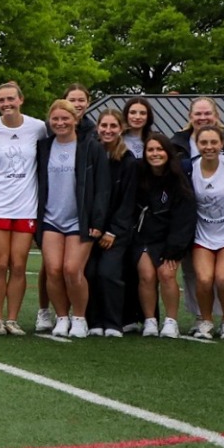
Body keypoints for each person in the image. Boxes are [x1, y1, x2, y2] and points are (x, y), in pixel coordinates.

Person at [36, 99, 111, 340]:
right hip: (50, 219)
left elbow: (102, 188)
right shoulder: (43, 147)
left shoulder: (91, 147)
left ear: (75, 119)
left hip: (81, 219)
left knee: (72, 270)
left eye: (65, 118)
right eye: (55, 119)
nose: (60, 123)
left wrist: (98, 222)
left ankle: (79, 317)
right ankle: (61, 317)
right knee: (54, 270)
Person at [0, 82, 46, 335]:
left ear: (21, 100)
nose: (6, 104)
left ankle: (12, 319)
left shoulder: (37, 127)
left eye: (10, 99)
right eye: (1, 101)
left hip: (26, 205)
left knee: (18, 264)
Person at [81, 108, 140, 337]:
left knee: (109, 273)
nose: (108, 130)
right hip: (91, 229)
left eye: (113, 126)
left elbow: (128, 201)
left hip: (115, 233)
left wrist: (113, 231)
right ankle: (94, 321)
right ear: (97, 128)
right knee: (90, 272)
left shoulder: (128, 161)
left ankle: (114, 323)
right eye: (103, 126)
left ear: (121, 129)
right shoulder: (89, 155)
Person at [131, 134, 196, 339]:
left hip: (169, 239)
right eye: (150, 150)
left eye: (159, 150)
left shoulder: (178, 179)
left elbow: (184, 217)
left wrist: (174, 247)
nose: (155, 154)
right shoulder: (138, 176)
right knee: (146, 276)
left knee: (167, 275)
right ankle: (150, 320)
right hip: (143, 237)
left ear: (168, 153)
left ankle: (171, 321)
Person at [188, 127, 224, 341]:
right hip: (202, 234)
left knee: (223, 278)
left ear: (222, 144)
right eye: (204, 143)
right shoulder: (190, 168)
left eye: (214, 142)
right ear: (197, 144)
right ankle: (206, 321)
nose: (209, 147)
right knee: (203, 279)